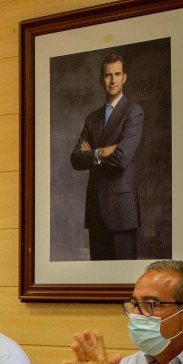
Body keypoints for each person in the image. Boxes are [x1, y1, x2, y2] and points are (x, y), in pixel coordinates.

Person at [70, 53, 144, 260]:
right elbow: (76, 158)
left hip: (121, 211)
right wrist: (101, 152)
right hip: (96, 210)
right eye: (108, 75)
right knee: (98, 282)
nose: (112, 80)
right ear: (101, 80)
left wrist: (91, 156)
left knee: (123, 282)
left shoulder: (134, 112)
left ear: (124, 77)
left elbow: (121, 159)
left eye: (117, 74)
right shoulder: (92, 118)